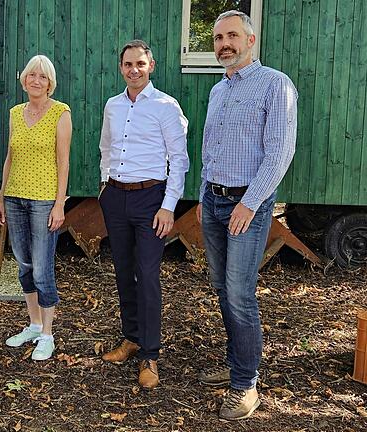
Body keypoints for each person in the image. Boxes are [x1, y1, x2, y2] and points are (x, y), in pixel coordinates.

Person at [196, 10, 296, 420]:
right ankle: (237, 363)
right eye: (218, 38)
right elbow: (211, 146)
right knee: (222, 288)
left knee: (240, 295)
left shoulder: (275, 85)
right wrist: (204, 191)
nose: (224, 44)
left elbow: (279, 153)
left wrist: (249, 204)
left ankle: (246, 385)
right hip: (214, 201)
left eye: (232, 36)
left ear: (250, 40)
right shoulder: (218, 90)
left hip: (246, 207)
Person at [97, 40, 189, 389]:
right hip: (116, 198)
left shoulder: (166, 106)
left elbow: (179, 160)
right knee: (123, 271)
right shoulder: (113, 106)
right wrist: (105, 185)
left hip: (151, 199)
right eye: (127, 64)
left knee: (147, 276)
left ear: (151, 66)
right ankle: (131, 337)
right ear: (121, 67)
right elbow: (106, 147)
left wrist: (168, 207)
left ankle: (150, 353)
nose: (133, 69)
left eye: (139, 64)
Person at [0, 55, 71, 361]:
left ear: (49, 82)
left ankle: (48, 335)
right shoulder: (15, 113)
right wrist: (1, 196)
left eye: (42, 76)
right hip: (15, 197)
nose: (36, 80)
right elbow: (10, 158)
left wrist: (59, 204)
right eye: (31, 75)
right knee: (24, 265)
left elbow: (63, 161)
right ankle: (34, 324)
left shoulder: (60, 113)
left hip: (44, 202)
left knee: (42, 270)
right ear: (24, 79)